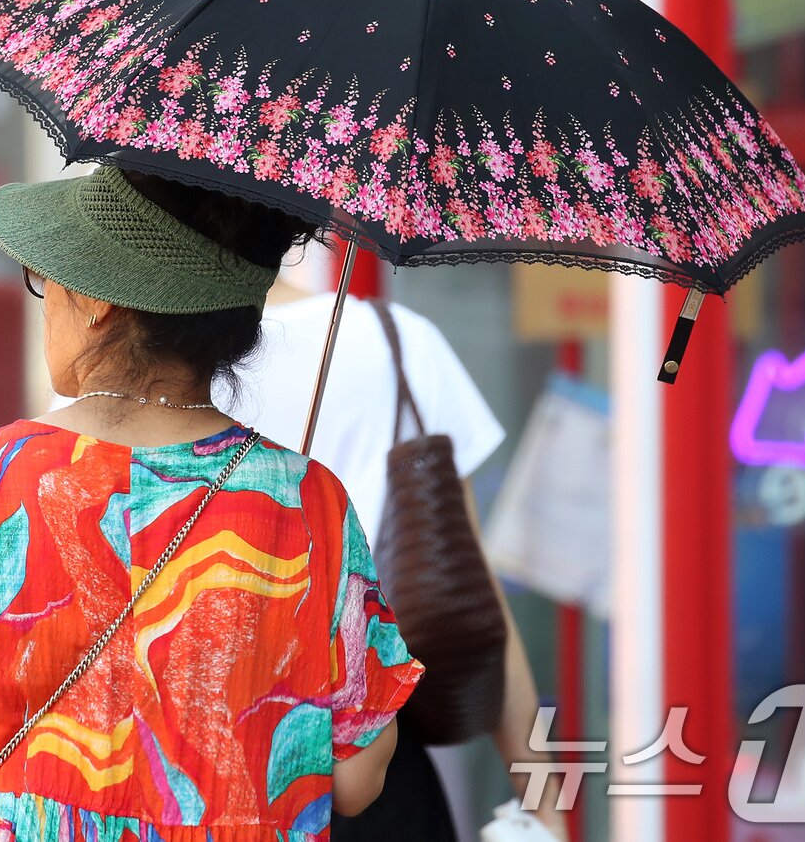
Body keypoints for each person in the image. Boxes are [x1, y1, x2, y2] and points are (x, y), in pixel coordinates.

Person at [0, 164, 424, 840]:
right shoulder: (308, 503)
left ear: (102, 299)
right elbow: (355, 778)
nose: (45, 294)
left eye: (45, 276)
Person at [227, 277, 569, 840]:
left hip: (196, 774)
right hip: (382, 773)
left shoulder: (130, 365)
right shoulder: (398, 343)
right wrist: (543, 799)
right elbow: (474, 594)